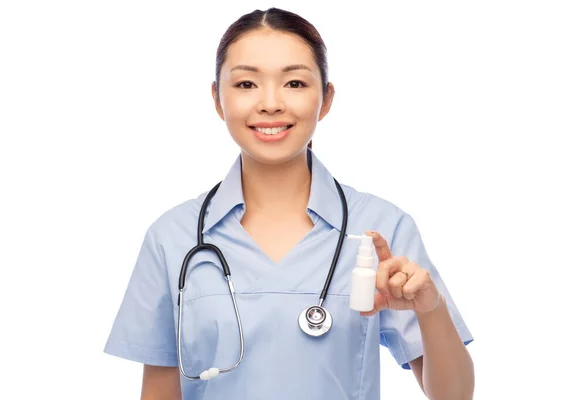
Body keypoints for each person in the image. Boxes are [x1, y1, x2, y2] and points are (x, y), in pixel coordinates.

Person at [103, 7, 474, 400]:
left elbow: (454, 396)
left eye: (294, 83)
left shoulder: (383, 226)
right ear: (217, 99)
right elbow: (160, 392)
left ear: (326, 99)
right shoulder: (172, 237)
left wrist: (430, 309)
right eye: (246, 84)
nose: (270, 104)